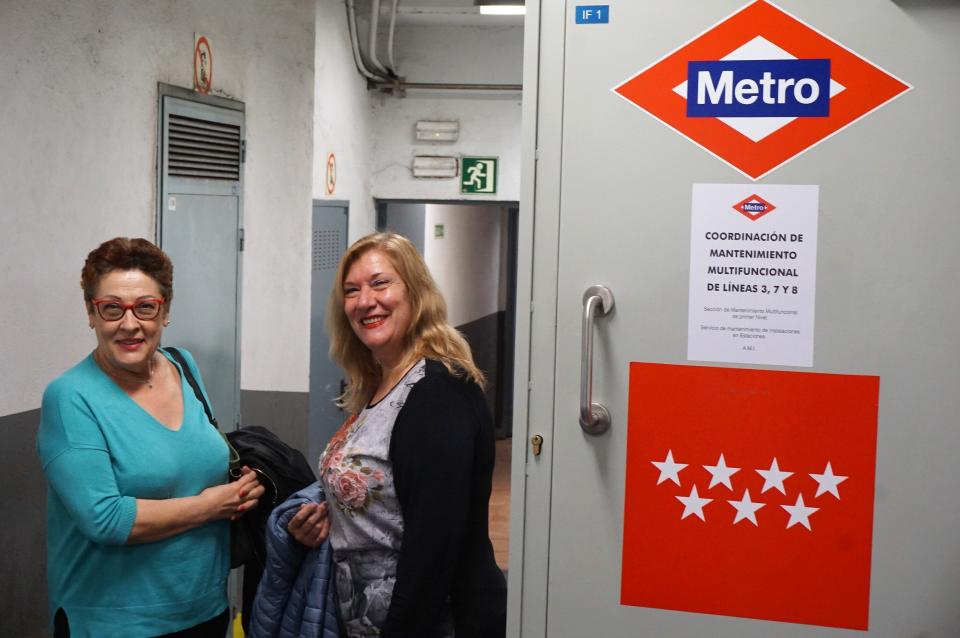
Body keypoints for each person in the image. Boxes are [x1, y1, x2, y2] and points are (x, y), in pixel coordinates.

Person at [36, 237, 265, 637]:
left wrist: (241, 490)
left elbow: (199, 464)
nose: (129, 324)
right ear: (91, 313)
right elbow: (106, 519)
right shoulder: (70, 397)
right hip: (115, 622)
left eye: (145, 307)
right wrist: (212, 505)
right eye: (111, 309)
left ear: (166, 312)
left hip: (205, 609)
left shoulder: (182, 365)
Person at [287, 232, 507, 637]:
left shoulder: (437, 392)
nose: (365, 300)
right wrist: (322, 523)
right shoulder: (378, 383)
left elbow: (434, 551)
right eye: (351, 290)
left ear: (416, 291)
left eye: (380, 283)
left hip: (430, 623)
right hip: (370, 617)